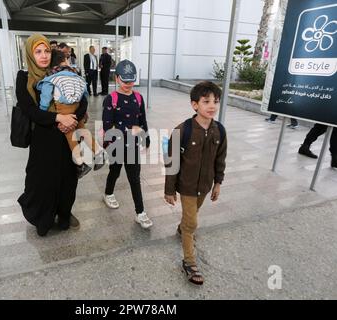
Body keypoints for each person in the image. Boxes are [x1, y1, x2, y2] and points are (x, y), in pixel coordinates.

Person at [16, 34, 86, 237]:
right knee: (41, 181)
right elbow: (29, 109)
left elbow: (82, 100)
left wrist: (72, 120)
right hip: (43, 139)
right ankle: (43, 218)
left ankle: (64, 214)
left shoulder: (61, 71)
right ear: (30, 54)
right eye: (38, 51)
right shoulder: (25, 77)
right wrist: (58, 118)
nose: (44, 56)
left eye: (46, 51)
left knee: (68, 179)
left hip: (67, 136)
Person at [164, 81, 227, 286]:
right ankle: (189, 262)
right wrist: (169, 190)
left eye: (215, 101)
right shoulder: (182, 131)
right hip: (187, 186)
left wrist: (218, 183)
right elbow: (172, 164)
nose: (212, 106)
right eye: (206, 101)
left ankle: (183, 230)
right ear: (194, 105)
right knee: (192, 222)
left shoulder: (220, 131)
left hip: (205, 186)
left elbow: (220, 159)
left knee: (190, 217)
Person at [37, 50, 105, 178]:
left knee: (70, 134)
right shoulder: (75, 74)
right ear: (65, 60)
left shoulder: (52, 77)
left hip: (63, 107)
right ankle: (99, 152)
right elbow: (85, 93)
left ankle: (80, 164)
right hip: (77, 105)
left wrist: (43, 110)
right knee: (82, 130)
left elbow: (45, 98)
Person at [102, 60, 153, 229]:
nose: (128, 84)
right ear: (117, 78)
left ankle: (140, 213)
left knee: (134, 179)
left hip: (131, 145)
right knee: (114, 172)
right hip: (115, 144)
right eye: (125, 80)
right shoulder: (111, 99)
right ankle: (108, 193)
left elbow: (142, 120)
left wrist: (146, 137)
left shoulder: (138, 98)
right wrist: (128, 130)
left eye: (131, 80)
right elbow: (108, 127)